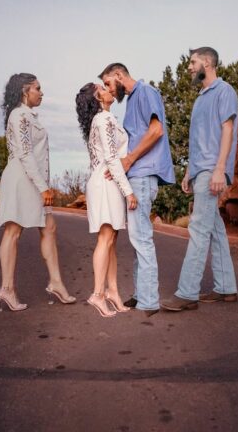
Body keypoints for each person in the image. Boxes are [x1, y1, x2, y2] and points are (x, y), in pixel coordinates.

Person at [161, 47, 238, 312]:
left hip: (212, 170)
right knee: (214, 230)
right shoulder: (199, 99)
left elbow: (227, 130)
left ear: (207, 62)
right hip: (200, 170)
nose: (190, 67)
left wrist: (220, 169)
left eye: (193, 63)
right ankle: (226, 288)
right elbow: (197, 141)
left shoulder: (224, 91)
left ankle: (187, 292)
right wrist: (188, 172)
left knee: (198, 228)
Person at [98, 63, 175, 317]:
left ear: (119, 75)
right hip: (136, 176)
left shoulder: (145, 92)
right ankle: (141, 293)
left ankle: (149, 300)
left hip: (143, 176)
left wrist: (129, 160)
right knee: (137, 239)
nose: (109, 88)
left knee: (141, 239)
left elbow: (156, 130)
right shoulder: (132, 100)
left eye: (109, 83)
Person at [0, 73, 76, 311]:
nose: (41, 93)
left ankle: (56, 283)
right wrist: (43, 187)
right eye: (38, 88)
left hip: (31, 178)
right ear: (24, 91)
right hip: (21, 179)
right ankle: (7, 288)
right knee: (13, 231)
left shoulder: (27, 116)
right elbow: (24, 153)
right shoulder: (19, 115)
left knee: (48, 227)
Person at [75, 83, 138, 318]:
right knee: (105, 237)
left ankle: (113, 291)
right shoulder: (103, 120)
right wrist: (128, 191)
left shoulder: (107, 118)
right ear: (97, 98)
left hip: (106, 182)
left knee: (111, 238)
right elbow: (112, 158)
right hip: (104, 184)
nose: (109, 89)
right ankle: (98, 294)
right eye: (102, 88)